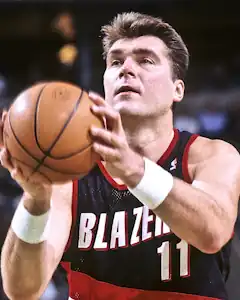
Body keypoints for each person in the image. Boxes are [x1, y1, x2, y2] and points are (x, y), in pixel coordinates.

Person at [1, 12, 240, 300]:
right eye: (115, 61)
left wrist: (134, 170)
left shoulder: (208, 156)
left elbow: (213, 233)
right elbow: (21, 290)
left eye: (145, 60)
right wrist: (36, 202)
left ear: (177, 90)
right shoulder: (69, 180)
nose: (126, 68)